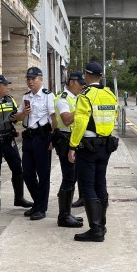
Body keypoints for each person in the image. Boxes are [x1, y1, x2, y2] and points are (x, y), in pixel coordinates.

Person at [68, 62, 118, 242]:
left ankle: (95, 229)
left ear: (86, 76)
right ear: (101, 76)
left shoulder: (86, 95)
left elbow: (80, 122)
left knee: (87, 185)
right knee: (100, 183)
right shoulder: (110, 94)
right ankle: (102, 225)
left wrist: (72, 146)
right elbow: (114, 118)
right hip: (106, 145)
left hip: (88, 146)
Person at [0, 74, 32, 214]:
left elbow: (16, 119)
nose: (8, 88)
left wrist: (22, 115)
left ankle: (19, 198)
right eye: (5, 85)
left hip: (9, 140)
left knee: (18, 169)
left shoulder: (10, 100)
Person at [18, 65, 55, 220]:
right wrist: (23, 114)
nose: (30, 81)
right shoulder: (26, 97)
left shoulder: (48, 96)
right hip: (28, 137)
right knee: (27, 173)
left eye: (33, 79)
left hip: (43, 137)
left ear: (41, 80)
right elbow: (18, 118)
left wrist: (53, 138)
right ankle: (37, 202)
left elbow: (54, 119)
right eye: (28, 78)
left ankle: (41, 208)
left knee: (43, 173)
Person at [52, 72, 87, 228]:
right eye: (80, 84)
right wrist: (81, 110)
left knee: (72, 177)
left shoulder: (75, 98)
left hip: (74, 140)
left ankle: (66, 213)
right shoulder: (63, 99)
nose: (82, 87)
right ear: (72, 82)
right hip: (65, 140)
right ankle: (63, 216)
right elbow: (66, 120)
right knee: (68, 177)